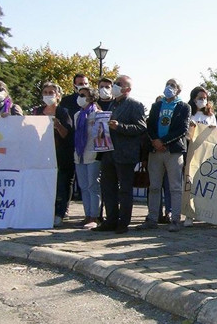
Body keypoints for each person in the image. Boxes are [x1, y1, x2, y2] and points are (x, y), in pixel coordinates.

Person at [94, 75, 147, 234]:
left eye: (118, 84)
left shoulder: (135, 105)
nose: (114, 86)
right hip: (109, 152)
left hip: (125, 154)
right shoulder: (112, 104)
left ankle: (123, 223)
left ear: (127, 89)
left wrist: (120, 127)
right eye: (114, 83)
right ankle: (110, 220)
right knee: (108, 187)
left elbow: (141, 127)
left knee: (124, 190)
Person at [138, 78, 190, 232]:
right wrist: (155, 141)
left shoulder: (183, 107)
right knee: (154, 186)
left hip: (173, 151)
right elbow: (150, 125)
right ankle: (152, 218)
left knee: (175, 187)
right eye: (167, 85)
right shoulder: (157, 105)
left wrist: (164, 142)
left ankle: (175, 220)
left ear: (178, 90)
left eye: (173, 86)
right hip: (155, 150)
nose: (169, 88)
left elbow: (182, 129)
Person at [31, 82, 74, 227]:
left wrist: (57, 124)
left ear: (58, 96)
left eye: (51, 93)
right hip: (41, 156)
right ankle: (43, 212)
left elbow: (66, 134)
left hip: (60, 156)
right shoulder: (36, 112)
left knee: (61, 185)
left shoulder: (63, 112)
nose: (48, 95)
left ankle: (59, 213)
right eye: (46, 92)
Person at [73, 87, 102, 229]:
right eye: (80, 95)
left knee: (93, 186)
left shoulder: (98, 115)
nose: (80, 97)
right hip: (79, 155)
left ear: (91, 98)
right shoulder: (77, 115)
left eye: (83, 95)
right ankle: (86, 214)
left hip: (93, 154)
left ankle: (94, 216)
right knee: (83, 187)